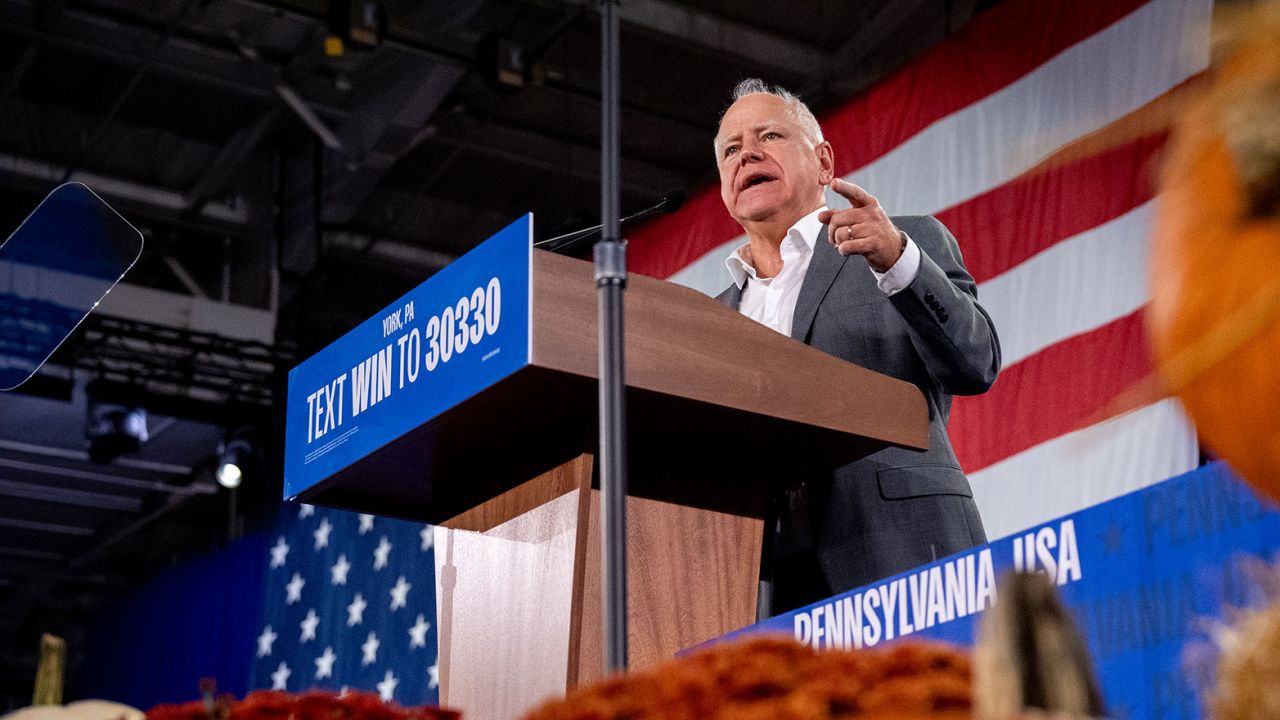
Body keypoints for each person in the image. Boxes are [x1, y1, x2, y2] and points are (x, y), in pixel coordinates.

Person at [713, 78, 1001, 610]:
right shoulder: (712, 317)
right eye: (731, 149)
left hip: (901, 553)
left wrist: (897, 260)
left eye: (769, 135)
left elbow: (976, 362)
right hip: (764, 585)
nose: (747, 152)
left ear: (824, 164)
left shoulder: (898, 244)